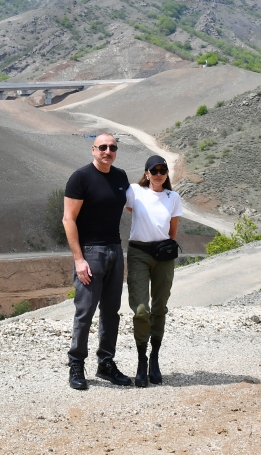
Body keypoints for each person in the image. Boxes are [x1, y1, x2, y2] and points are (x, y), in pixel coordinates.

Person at [62, 133, 133, 390]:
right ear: (93, 149)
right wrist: (79, 259)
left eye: (112, 147)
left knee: (111, 312)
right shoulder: (80, 178)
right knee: (85, 311)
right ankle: (76, 364)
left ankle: (106, 363)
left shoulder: (120, 176)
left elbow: (135, 205)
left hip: (115, 249)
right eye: (102, 147)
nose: (108, 151)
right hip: (90, 252)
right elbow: (68, 219)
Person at [125, 154, 182, 387]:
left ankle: (154, 358)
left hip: (163, 255)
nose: (159, 174)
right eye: (154, 170)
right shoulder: (134, 191)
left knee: (160, 307)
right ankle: (141, 360)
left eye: (163, 170)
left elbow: (173, 231)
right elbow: (129, 208)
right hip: (138, 253)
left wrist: (164, 247)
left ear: (167, 174)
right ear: (146, 173)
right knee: (141, 309)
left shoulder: (173, 197)